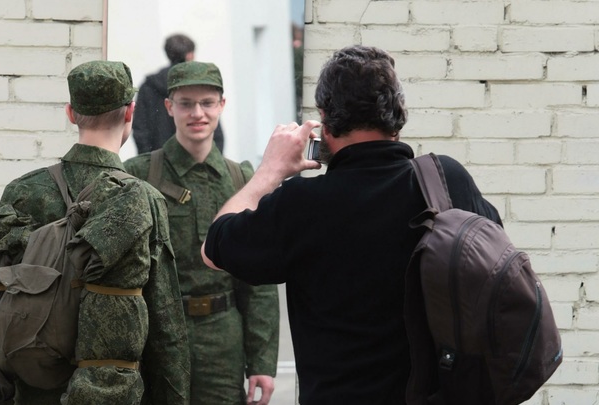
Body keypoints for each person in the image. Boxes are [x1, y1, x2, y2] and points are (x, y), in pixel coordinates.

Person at [200, 45, 503, 405]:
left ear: (326, 122)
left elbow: (214, 248)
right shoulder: (445, 181)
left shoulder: (302, 204)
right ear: (397, 116)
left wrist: (271, 171)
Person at [0, 60, 190, 405]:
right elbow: (165, 328)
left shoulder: (24, 190)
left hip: (29, 389)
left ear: (71, 113)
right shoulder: (143, 200)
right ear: (130, 111)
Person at [125, 61, 279, 405]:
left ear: (221, 105)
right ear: (169, 107)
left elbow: (259, 282)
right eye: (186, 103)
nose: (198, 113)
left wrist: (262, 363)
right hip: (156, 335)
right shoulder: (137, 175)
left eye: (207, 103)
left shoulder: (241, 180)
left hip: (221, 339)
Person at [132, 33, 225, 154]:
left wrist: (147, 159)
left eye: (207, 103)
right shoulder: (200, 85)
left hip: (156, 159)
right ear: (190, 55)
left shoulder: (148, 86)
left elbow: (140, 128)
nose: (197, 113)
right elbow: (214, 129)